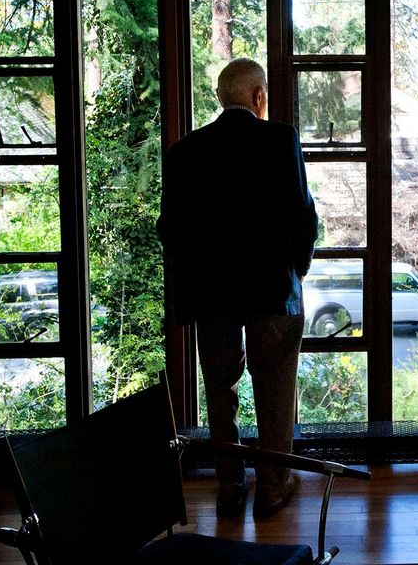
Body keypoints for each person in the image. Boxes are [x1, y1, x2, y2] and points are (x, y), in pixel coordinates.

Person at [158, 58, 318, 520]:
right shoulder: (280, 140)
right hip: (272, 290)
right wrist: (299, 270)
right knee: (274, 385)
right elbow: (302, 218)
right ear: (258, 97)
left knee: (220, 387)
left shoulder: (184, 153)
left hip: (211, 297)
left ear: (221, 98)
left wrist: (197, 275)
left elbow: (170, 229)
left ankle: (229, 486)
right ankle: (272, 485)